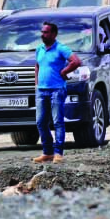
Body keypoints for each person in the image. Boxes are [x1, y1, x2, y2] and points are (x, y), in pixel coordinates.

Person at [33, 22, 82, 164]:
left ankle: (58, 153)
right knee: (41, 122)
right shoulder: (39, 49)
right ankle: (47, 152)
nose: (43, 35)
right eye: (42, 32)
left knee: (57, 121)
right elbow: (37, 65)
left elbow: (76, 61)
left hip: (57, 90)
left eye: (46, 32)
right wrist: (36, 83)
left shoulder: (61, 48)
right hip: (42, 91)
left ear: (54, 34)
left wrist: (64, 71)